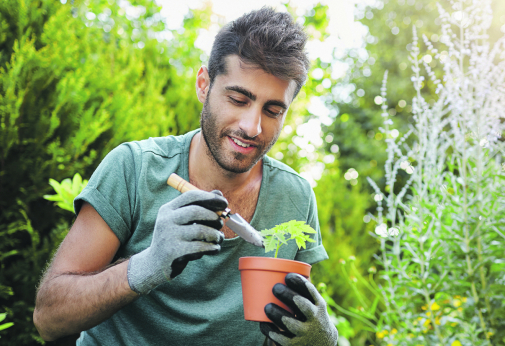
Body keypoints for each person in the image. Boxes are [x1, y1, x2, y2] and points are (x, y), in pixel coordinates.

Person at [33, 7, 338, 346]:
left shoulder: (295, 197)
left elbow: (284, 323)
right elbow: (49, 318)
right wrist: (147, 266)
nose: (252, 127)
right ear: (204, 85)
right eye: (238, 99)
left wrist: (322, 341)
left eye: (273, 110)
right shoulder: (134, 168)